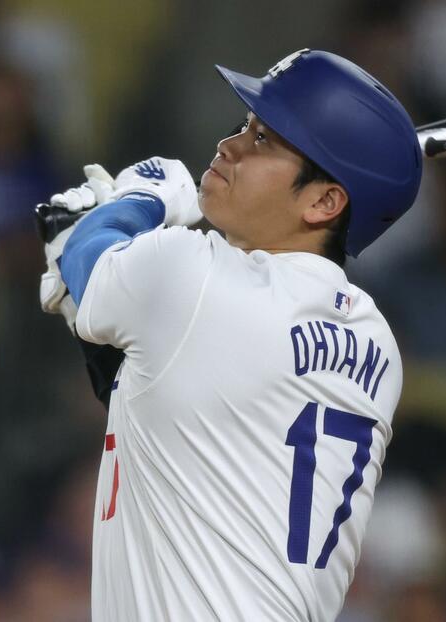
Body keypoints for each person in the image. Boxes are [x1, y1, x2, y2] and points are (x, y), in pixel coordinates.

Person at [36, 49, 422, 621]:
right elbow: (156, 403)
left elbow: (87, 260)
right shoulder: (375, 342)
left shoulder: (197, 277)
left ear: (324, 201)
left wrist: (141, 199)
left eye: (265, 140)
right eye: (247, 126)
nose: (230, 144)